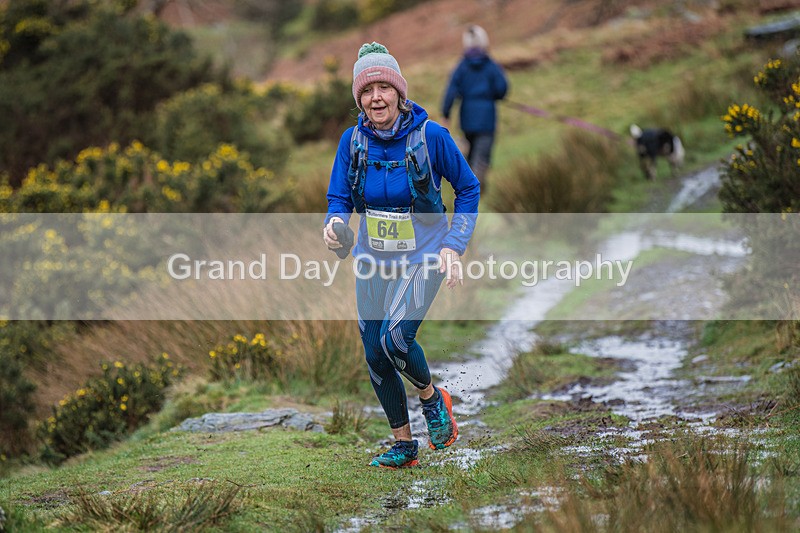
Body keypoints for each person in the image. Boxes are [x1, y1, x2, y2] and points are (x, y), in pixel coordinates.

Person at [323, 42, 480, 469]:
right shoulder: (351, 142)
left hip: (426, 253)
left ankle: (433, 400)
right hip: (373, 257)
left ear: (399, 93)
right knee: (374, 350)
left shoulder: (432, 137)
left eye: (383, 88)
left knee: (395, 339)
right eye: (367, 90)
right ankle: (403, 444)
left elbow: (468, 188)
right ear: (359, 98)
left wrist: (454, 245)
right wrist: (335, 226)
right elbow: (339, 198)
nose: (376, 98)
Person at [442, 25, 508, 193]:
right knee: (482, 154)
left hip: (468, 117)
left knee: (471, 152)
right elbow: (502, 88)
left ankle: (470, 187)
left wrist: (446, 113)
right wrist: (494, 95)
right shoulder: (491, 65)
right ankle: (477, 185)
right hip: (487, 117)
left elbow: (451, 91)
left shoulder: (462, 66)